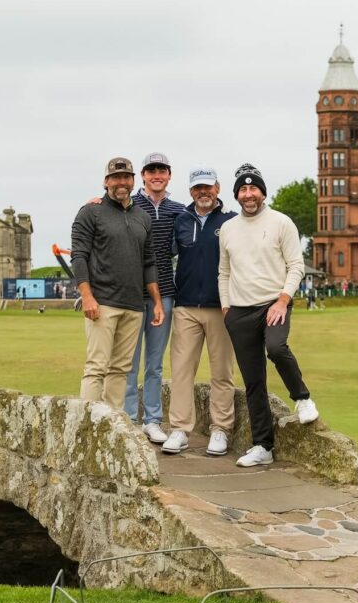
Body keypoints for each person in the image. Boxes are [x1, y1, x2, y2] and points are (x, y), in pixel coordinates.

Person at [219, 163, 319, 468]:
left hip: (274, 304)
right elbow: (224, 272)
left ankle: (302, 398)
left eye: (254, 189)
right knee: (253, 381)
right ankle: (263, 446)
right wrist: (226, 309)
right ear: (237, 195)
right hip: (239, 310)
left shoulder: (281, 223)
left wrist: (283, 300)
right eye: (243, 190)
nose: (249, 195)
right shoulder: (227, 229)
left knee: (276, 348)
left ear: (263, 192)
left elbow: (296, 266)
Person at [72, 156, 164, 412]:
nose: (121, 182)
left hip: (134, 305)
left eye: (126, 177)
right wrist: (87, 296)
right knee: (96, 368)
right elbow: (79, 256)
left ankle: (112, 426)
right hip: (102, 302)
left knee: (120, 370)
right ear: (106, 181)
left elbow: (149, 262)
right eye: (115, 177)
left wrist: (156, 301)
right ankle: (86, 426)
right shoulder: (91, 211)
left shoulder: (142, 217)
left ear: (134, 181)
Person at [162, 166, 238, 456]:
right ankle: (180, 429)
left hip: (221, 307)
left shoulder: (231, 221)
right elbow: (163, 252)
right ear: (191, 190)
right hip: (185, 306)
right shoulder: (181, 220)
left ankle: (220, 429)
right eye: (197, 188)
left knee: (222, 371)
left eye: (208, 187)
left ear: (217, 188)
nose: (203, 192)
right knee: (181, 371)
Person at [123, 152, 184, 444]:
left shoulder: (178, 210)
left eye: (162, 170)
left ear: (169, 175)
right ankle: (128, 419)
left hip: (166, 294)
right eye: (151, 171)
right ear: (143, 176)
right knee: (129, 362)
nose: (157, 175)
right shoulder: (129, 205)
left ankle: (152, 420)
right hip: (133, 294)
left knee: (155, 363)